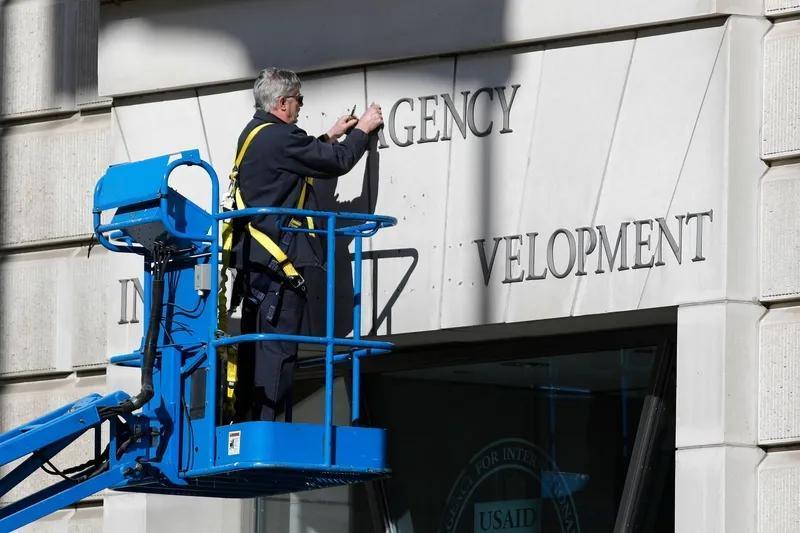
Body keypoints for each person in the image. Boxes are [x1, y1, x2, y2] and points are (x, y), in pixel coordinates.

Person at [231, 67, 384, 422]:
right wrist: (363, 129)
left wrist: (329, 136)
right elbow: (338, 163)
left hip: (257, 264)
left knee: (259, 349)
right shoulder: (281, 138)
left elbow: (293, 161)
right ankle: (269, 430)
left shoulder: (253, 134)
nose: (300, 106)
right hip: (280, 266)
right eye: (298, 100)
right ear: (282, 103)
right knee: (279, 352)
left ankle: (251, 423)